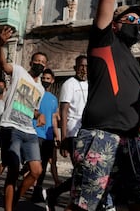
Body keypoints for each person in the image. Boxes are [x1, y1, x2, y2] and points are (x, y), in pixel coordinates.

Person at [65, 0, 140, 211]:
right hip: (100, 137)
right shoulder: (104, 40)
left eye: (139, 21)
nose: (136, 24)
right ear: (115, 23)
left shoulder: (134, 62)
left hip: (132, 142)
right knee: (86, 206)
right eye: (130, 18)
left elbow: (135, 106)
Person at [0, 26, 46, 211]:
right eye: (37, 61)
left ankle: (15, 198)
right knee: (14, 170)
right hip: (11, 127)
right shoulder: (18, 71)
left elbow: (30, 108)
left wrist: (39, 114)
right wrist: (0, 45)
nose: (39, 64)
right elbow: (3, 65)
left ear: (45, 66)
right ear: (31, 62)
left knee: (36, 171)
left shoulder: (41, 88)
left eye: (43, 62)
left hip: (29, 131)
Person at [43, 55, 88, 211]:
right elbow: (64, 110)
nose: (84, 69)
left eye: (87, 66)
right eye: (81, 66)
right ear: (75, 68)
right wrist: (64, 139)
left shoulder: (91, 84)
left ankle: (54, 193)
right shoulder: (69, 84)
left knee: (83, 173)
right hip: (73, 133)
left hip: (88, 134)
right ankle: (69, 201)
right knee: (81, 173)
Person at [31, 68, 59, 202]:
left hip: (48, 136)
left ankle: (37, 191)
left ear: (52, 81)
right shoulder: (36, 92)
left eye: (48, 79)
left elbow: (54, 118)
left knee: (43, 165)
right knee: (34, 163)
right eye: (44, 78)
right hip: (35, 132)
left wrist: (57, 135)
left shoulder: (54, 99)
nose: (45, 81)